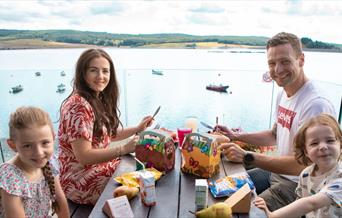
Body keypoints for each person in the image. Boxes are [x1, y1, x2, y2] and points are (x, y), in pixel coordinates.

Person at [216, 32, 336, 211]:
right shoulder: (284, 92)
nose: (278, 70)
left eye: (285, 61)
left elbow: (306, 164)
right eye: (272, 63)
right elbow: (274, 134)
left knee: (241, 211)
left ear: (301, 60)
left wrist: (249, 156)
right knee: (220, 188)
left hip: (299, 187)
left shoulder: (315, 104)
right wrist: (235, 136)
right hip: (277, 174)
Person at [58, 48, 153, 205]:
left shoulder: (94, 98)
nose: (101, 76)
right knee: (143, 185)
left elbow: (107, 134)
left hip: (98, 168)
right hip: (79, 181)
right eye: (93, 70)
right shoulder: (78, 107)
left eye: (105, 71)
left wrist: (137, 128)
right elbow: (84, 156)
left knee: (146, 174)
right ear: (83, 73)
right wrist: (123, 149)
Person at [254, 113, 342, 218]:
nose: (323, 146)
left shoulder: (339, 178)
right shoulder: (306, 174)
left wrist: (272, 215)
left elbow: (311, 204)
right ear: (306, 151)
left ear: (340, 145)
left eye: (330, 140)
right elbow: (300, 202)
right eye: (314, 143)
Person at [0, 106, 69, 218]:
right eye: (27, 146)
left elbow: (60, 199)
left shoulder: (49, 162)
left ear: (53, 138)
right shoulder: (10, 178)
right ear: (13, 145)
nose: (38, 153)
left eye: (45, 143)